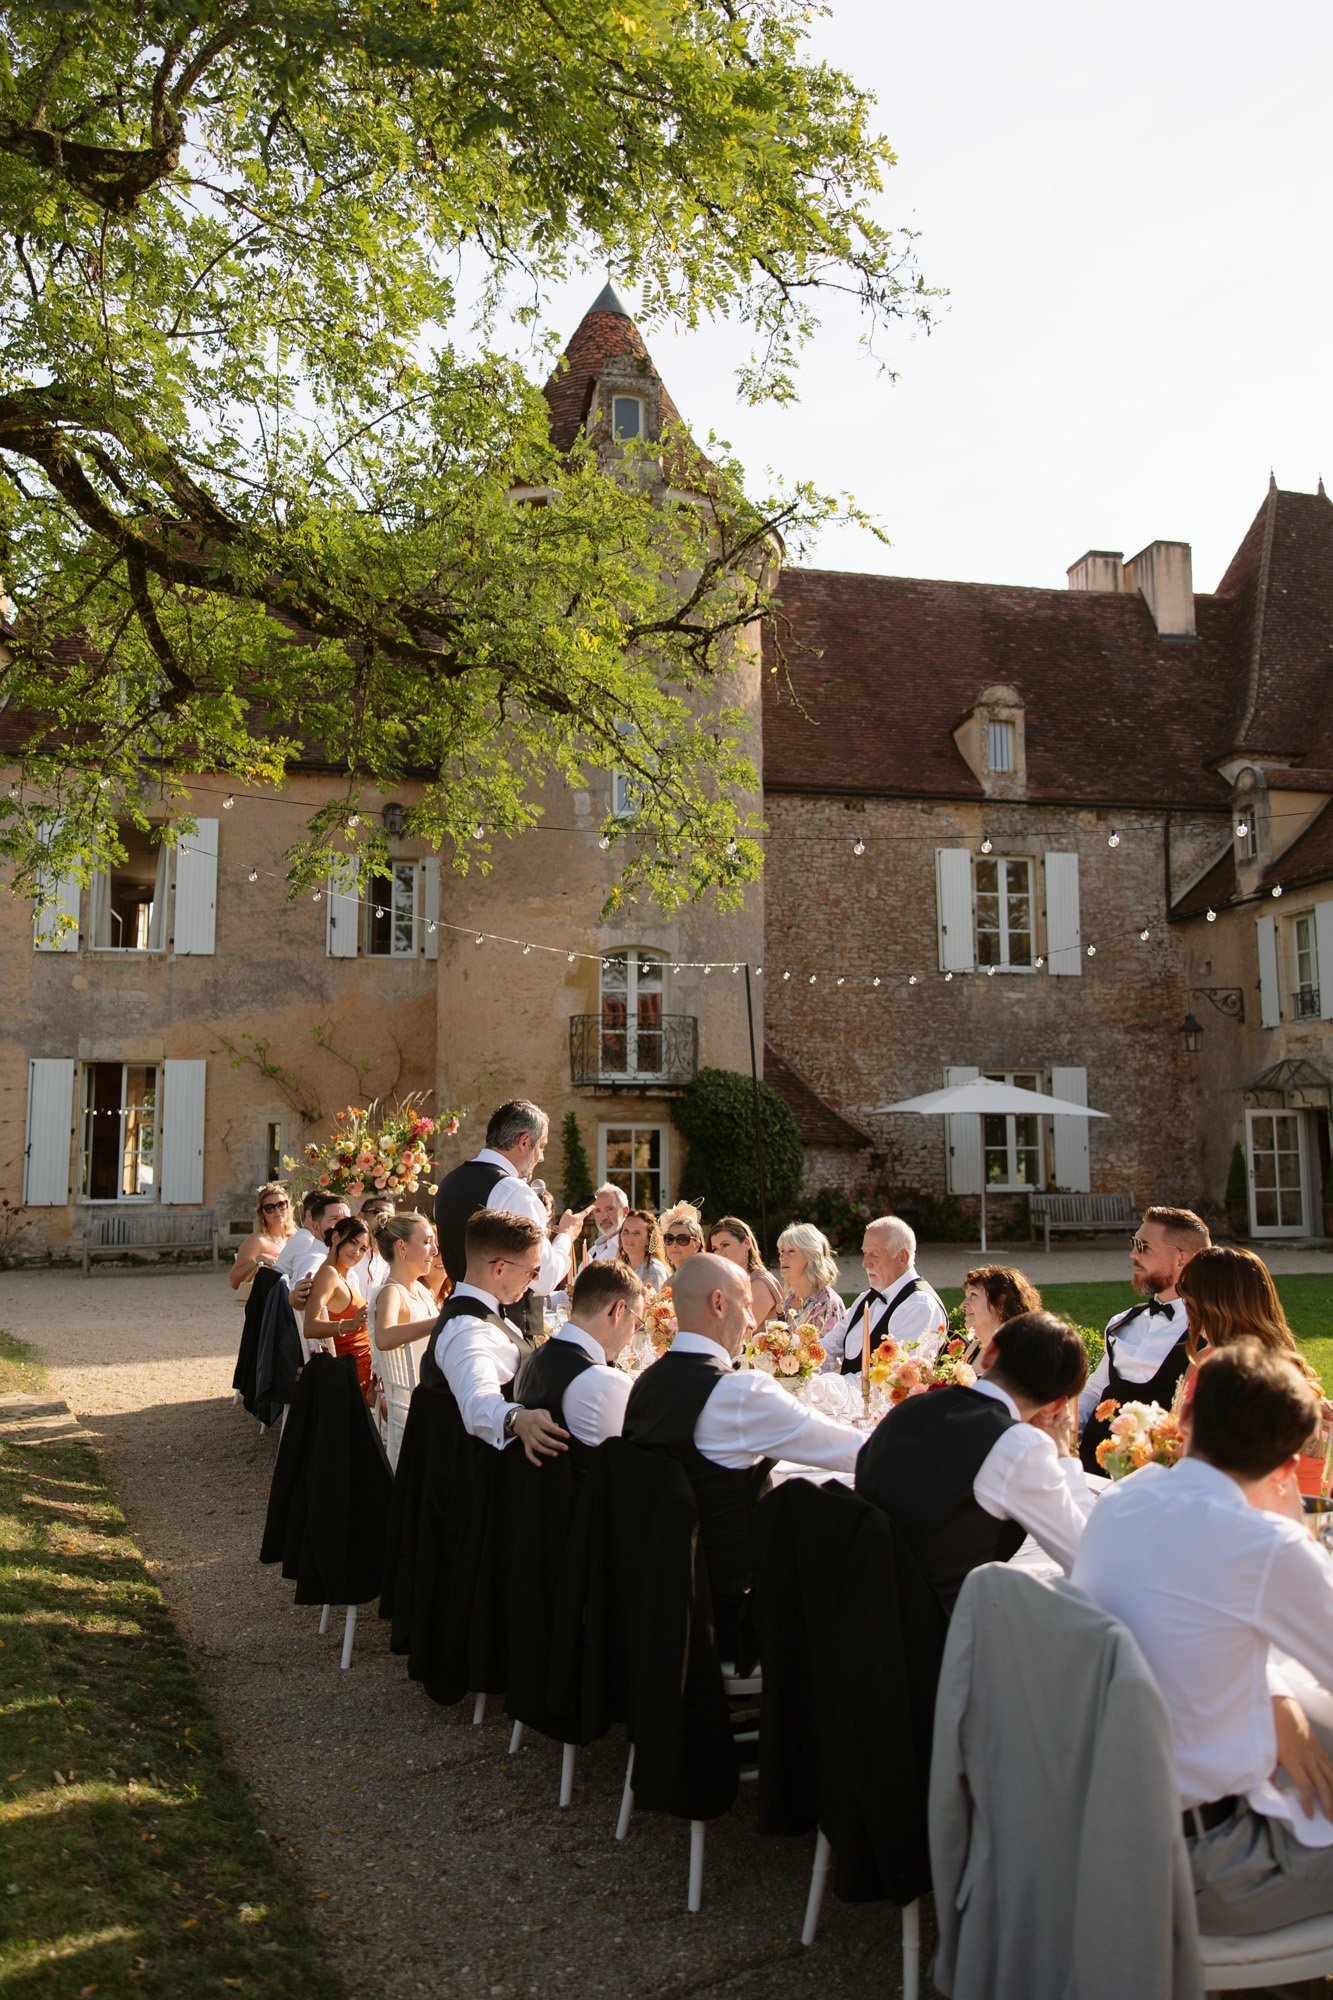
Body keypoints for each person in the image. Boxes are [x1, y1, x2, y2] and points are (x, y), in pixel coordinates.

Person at [1072, 1340, 1333, 1936]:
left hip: (1099, 1836)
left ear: (1183, 1417)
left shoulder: (1121, 1500)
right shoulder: (1267, 1546)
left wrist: (1273, 1691)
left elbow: (1185, 1621)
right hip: (1204, 1866)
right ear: (1288, 1467)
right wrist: (1293, 1532)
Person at [621, 1251, 863, 1658]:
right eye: (748, 1306)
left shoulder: (644, 1385)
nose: (754, 1322)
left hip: (659, 1602)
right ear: (718, 1304)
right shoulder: (738, 1393)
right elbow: (849, 1450)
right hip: (732, 1613)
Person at [855, 1310, 1093, 1615]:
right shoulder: (1017, 1445)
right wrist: (1065, 1457)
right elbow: (1087, 1558)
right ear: (1057, 1405)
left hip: (861, 1605)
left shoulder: (913, 1406)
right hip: (940, 1640)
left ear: (990, 1354)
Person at [420, 1208, 568, 1467]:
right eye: (532, 1272)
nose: (534, 1280)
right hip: (473, 1483)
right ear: (499, 1268)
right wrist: (518, 1420)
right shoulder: (467, 1328)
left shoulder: (484, 1312)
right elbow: (478, 1402)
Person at [433, 1100, 588, 1340]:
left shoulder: (448, 1183)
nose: (542, 1157)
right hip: (506, 1330)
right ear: (524, 1141)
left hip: (456, 1319)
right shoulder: (513, 1191)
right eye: (542, 1147)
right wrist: (567, 1235)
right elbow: (544, 1278)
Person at [1078, 1205, 1210, 1474]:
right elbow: (1094, 1391)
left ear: (1181, 1259)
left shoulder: (1208, 1334)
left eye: (1143, 1246)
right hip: (1089, 1470)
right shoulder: (1122, 1323)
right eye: (1134, 1244)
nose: (1133, 1254)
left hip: (1156, 1478)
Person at [515, 1259, 643, 1467]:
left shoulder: (530, 1360)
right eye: (636, 1323)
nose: (632, 1334)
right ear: (618, 1310)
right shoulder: (605, 1383)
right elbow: (636, 1463)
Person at [826, 1215, 948, 1374]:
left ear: (902, 1257)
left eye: (874, 1254)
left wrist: (828, 1384)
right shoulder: (867, 1298)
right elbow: (828, 1346)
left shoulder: (919, 1305)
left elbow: (893, 1377)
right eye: (864, 1253)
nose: (865, 1263)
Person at [303, 1215, 373, 1397]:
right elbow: (309, 1327)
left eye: (363, 1248)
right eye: (352, 1243)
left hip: (365, 1362)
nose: (357, 1252)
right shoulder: (329, 1274)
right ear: (336, 1238)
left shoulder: (342, 1276)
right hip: (356, 1369)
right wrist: (350, 1324)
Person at [373, 1212, 445, 1356]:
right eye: (426, 1242)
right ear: (402, 1247)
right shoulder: (391, 1292)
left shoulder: (421, 1290)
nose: (434, 1251)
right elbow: (383, 1338)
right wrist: (442, 1320)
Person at [960, 1264, 1043, 1367]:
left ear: (1001, 1301)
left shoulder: (1023, 1353)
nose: (962, 1305)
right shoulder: (974, 1349)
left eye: (973, 1295)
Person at [708, 1214, 785, 1323]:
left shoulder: (760, 1282)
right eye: (715, 1249)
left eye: (725, 1245)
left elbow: (739, 1332)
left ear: (746, 1243)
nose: (720, 1254)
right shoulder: (727, 1284)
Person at [775, 1222, 844, 1335]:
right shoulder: (789, 1301)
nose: (782, 1257)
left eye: (791, 1251)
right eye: (782, 1251)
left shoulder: (826, 1303)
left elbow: (826, 1351)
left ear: (811, 1256)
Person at [274, 1190, 351, 1286]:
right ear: (311, 1217)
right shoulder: (309, 1247)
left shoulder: (309, 1241)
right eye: (334, 1218)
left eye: (347, 1219)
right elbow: (303, 1289)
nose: (343, 1224)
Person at [229, 1184, 294, 1294]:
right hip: (269, 1303)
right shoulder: (257, 1241)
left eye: (281, 1204)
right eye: (270, 1208)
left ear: (288, 1206)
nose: (277, 1211)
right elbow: (234, 1282)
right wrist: (258, 1260)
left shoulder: (295, 1236)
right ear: (262, 1213)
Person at [617, 1207, 670, 1291]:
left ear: (648, 1240)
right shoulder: (620, 1267)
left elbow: (658, 1303)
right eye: (626, 1231)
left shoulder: (655, 1270)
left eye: (636, 1233)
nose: (629, 1238)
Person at [587, 1182, 630, 1262]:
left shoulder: (631, 1250)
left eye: (610, 1209)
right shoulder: (592, 1252)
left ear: (625, 1211)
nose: (604, 1217)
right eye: (598, 1211)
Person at [658, 1200, 705, 1273]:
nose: (674, 1245)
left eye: (682, 1239)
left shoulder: (703, 1277)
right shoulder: (671, 1280)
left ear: (696, 1246)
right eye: (669, 1238)